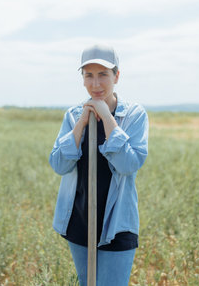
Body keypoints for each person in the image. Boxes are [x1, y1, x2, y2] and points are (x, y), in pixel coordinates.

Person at [49, 44, 149, 286]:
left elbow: (129, 164)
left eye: (103, 75)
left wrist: (106, 117)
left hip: (117, 223)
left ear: (116, 76)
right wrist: (81, 123)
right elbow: (59, 165)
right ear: (82, 78)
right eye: (89, 75)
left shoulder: (134, 115)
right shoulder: (73, 115)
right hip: (80, 220)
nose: (96, 84)